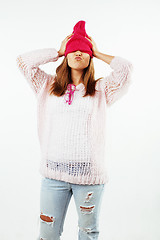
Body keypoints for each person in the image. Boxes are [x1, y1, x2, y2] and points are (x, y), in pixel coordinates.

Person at [16, 20, 133, 240]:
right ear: (66, 57)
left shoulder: (101, 89)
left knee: (88, 233)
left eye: (83, 50)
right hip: (53, 175)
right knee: (47, 233)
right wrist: (57, 51)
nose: (78, 52)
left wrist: (97, 52)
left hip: (89, 177)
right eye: (73, 50)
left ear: (90, 58)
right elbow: (23, 62)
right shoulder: (47, 86)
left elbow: (126, 70)